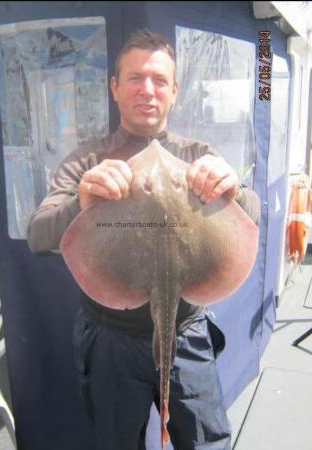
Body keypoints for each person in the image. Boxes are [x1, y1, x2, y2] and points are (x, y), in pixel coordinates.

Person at [28, 28, 260, 450]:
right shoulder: (88, 161)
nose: (147, 90)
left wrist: (237, 191)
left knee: (207, 442)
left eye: (159, 80)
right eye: (135, 78)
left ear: (174, 92)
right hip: (110, 339)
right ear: (115, 88)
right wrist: (82, 201)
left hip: (187, 333)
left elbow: (253, 217)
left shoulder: (197, 155)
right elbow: (38, 235)